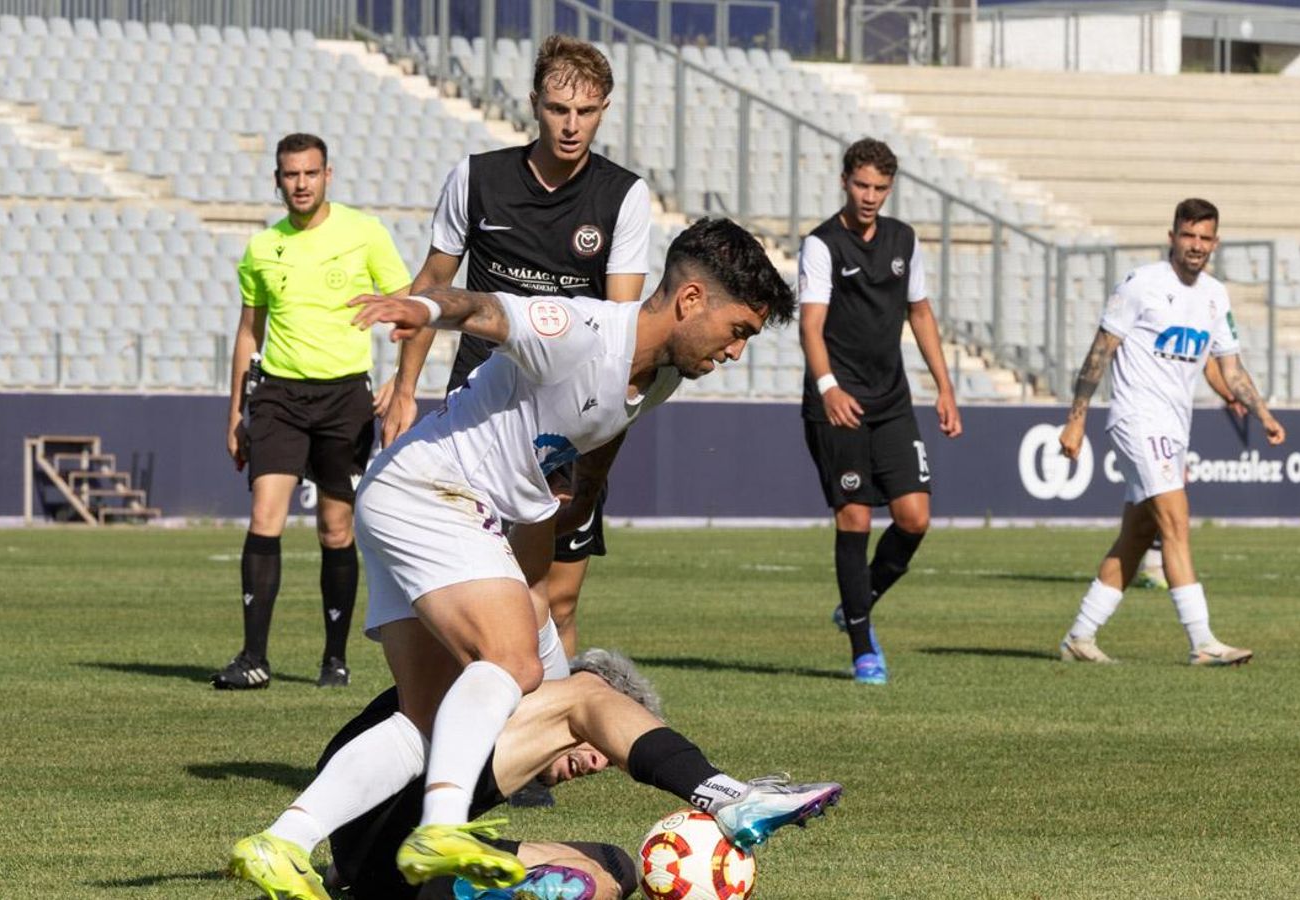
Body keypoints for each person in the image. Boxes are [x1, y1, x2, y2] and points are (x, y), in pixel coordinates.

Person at [225, 217, 806, 898]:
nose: (737, 351)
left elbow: (572, 474)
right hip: (432, 490)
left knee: (424, 716)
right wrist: (424, 307)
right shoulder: (587, 331)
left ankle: (282, 841)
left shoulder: (656, 382)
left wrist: (579, 508)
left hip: (412, 494)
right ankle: (439, 829)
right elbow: (488, 310)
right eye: (738, 330)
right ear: (690, 301)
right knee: (511, 661)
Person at [375, 34, 653, 664]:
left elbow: (619, 327)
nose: (571, 125)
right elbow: (432, 288)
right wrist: (403, 387)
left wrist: (596, 458)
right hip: (481, 411)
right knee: (474, 599)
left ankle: (547, 736)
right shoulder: (477, 179)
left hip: (566, 420)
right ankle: (465, 737)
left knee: (556, 602)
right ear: (534, 103)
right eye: (559, 109)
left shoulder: (623, 197)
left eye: (586, 112)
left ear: (605, 108)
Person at [230, 650, 843, 900]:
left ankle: (485, 890)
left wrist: (343, 870)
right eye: (604, 742)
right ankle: (725, 793)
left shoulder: (485, 732)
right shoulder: (526, 686)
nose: (598, 763)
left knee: (617, 868)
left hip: (384, 868)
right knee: (584, 691)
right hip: (378, 823)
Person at [211, 133, 412, 691]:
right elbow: (249, 331)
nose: (300, 184)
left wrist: (400, 380)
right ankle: (254, 658)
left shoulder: (365, 233)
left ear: (328, 176)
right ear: (277, 181)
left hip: (345, 398)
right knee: (265, 517)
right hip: (277, 396)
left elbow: (409, 308)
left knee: (335, 527)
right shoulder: (260, 249)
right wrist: (234, 412)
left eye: (310, 173)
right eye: (290, 175)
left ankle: (335, 659)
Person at [1058, 198, 1285, 666]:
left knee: (1139, 534)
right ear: (1172, 237)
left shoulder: (1215, 296)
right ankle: (1202, 640)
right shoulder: (1142, 284)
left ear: (1215, 243)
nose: (1196, 246)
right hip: (1137, 418)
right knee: (1177, 521)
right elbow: (1101, 351)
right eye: (1188, 236)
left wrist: (1261, 413)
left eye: (1205, 238)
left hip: (1174, 426)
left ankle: (1079, 638)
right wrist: (1076, 418)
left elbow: (1231, 367)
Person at [797, 138, 962, 687]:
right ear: (845, 181)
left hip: (891, 402)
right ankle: (863, 647)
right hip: (838, 405)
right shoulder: (821, 246)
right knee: (856, 517)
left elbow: (920, 312)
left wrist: (944, 386)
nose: (870, 197)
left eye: (880, 188)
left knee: (915, 518)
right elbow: (811, 326)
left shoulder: (903, 240)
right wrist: (828, 388)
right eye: (862, 185)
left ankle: (857, 601)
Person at [1131, 358, 1249, 590]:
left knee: (1150, 502)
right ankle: (1154, 568)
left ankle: (1148, 566)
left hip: (1173, 419)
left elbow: (1210, 365)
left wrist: (1230, 395)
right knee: (1166, 493)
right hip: (1148, 414)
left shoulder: (1199, 327)